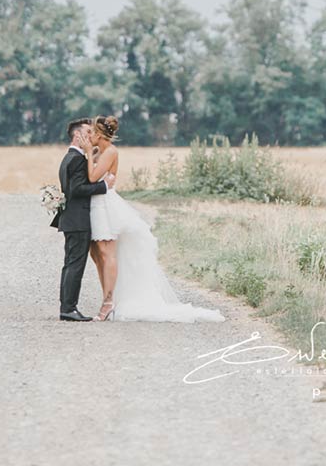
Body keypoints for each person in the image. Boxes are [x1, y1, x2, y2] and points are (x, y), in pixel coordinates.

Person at [85, 114, 224, 323]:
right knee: (98, 254)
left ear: (99, 134)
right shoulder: (101, 151)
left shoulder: (110, 151)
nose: (89, 137)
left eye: (92, 133)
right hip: (98, 203)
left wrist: (88, 154)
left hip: (107, 205)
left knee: (107, 252)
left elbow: (93, 177)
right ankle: (108, 299)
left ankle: (108, 301)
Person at [50, 117, 115, 321]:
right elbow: (77, 189)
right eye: (88, 132)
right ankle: (69, 308)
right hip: (78, 220)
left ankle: (67, 307)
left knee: (70, 264)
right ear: (77, 136)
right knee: (75, 265)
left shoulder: (69, 157)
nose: (91, 136)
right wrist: (103, 187)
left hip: (72, 219)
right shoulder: (77, 159)